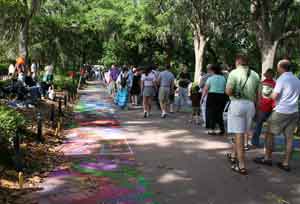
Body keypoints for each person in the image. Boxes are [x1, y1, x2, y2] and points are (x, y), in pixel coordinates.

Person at [254, 59, 300, 172]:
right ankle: (286, 163)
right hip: (293, 111)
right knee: (289, 138)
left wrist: (268, 96)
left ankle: (267, 158)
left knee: (269, 133)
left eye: (278, 67)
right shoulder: (296, 79)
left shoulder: (282, 79)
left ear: (281, 67)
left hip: (281, 111)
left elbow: (274, 96)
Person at [225, 54, 260, 175]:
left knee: (238, 135)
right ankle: (234, 155)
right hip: (250, 105)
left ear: (238, 61)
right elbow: (258, 95)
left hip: (237, 104)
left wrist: (235, 92)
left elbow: (228, 91)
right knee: (242, 133)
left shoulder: (234, 73)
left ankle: (241, 165)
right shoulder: (255, 74)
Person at [251, 69, 276, 147]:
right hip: (268, 107)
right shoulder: (274, 83)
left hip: (266, 107)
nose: (268, 75)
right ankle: (267, 144)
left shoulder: (262, 83)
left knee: (259, 125)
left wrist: (257, 104)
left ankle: (257, 142)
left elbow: (257, 95)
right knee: (267, 126)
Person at [201, 64, 227, 135]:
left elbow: (205, 89)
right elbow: (225, 88)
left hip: (212, 96)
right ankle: (221, 129)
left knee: (211, 113)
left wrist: (202, 98)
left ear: (213, 71)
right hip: (221, 96)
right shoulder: (223, 78)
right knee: (219, 113)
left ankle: (212, 129)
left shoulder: (210, 78)